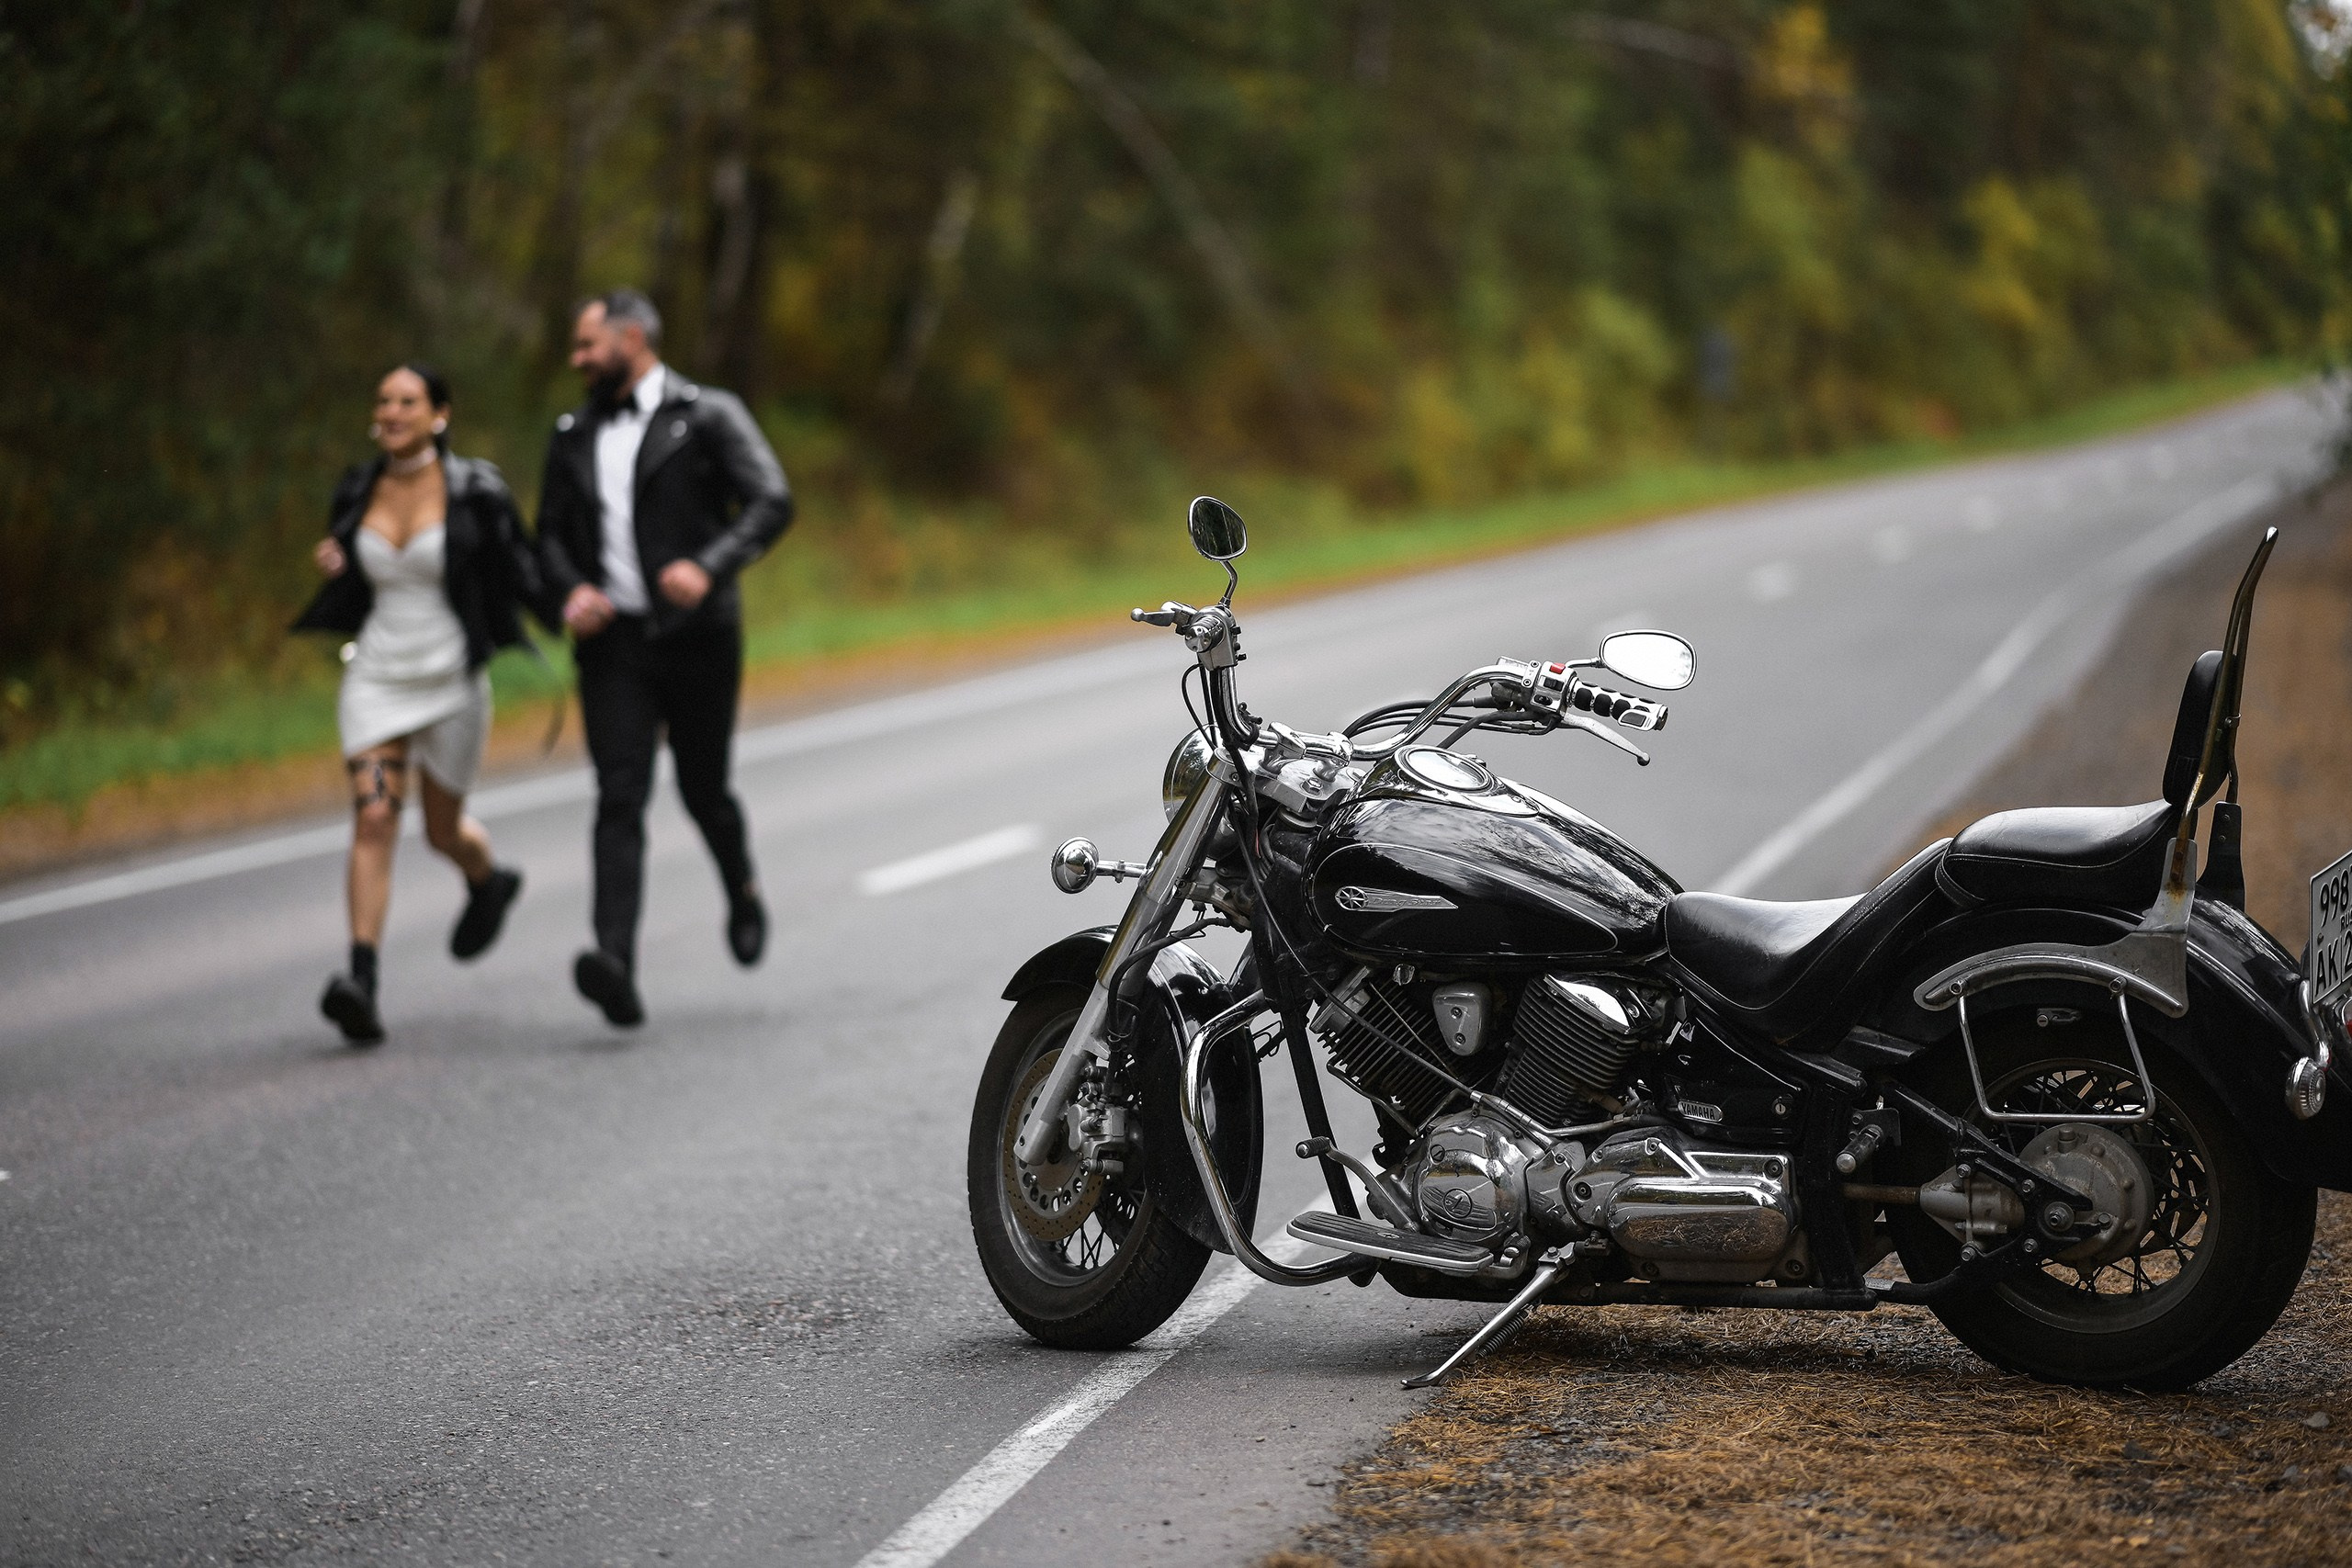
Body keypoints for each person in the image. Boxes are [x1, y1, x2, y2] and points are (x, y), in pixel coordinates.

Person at [535, 289, 794, 1026]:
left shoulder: (707, 413)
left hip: (698, 635)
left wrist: (709, 565)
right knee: (620, 794)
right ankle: (614, 959)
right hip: (613, 643)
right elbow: (547, 533)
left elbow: (772, 498)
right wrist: (570, 591)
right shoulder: (571, 430)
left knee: (702, 787)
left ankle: (740, 888)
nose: (577, 358)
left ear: (633, 336)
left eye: (588, 344)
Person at [292, 364, 548, 1044]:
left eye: (408, 400)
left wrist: (571, 612)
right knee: (376, 814)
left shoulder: (477, 490)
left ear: (440, 413)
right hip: (377, 680)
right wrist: (336, 563)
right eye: (383, 400)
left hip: (452, 684)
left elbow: (522, 570)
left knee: (442, 829)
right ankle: (361, 981)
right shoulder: (358, 486)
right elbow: (352, 571)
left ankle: (487, 877)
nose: (393, 410)